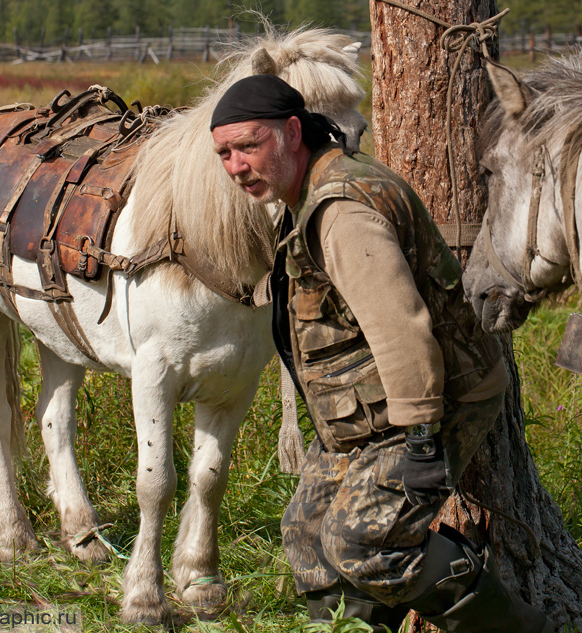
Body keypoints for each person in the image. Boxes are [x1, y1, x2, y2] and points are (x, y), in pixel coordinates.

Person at [210, 74, 553, 633]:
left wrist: (422, 441)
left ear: (293, 132)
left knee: (364, 543)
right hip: (370, 409)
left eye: (248, 146)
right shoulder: (306, 192)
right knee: (305, 532)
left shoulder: (340, 210)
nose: (236, 165)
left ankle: (520, 629)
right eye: (224, 153)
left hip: (436, 399)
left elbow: (401, 327)